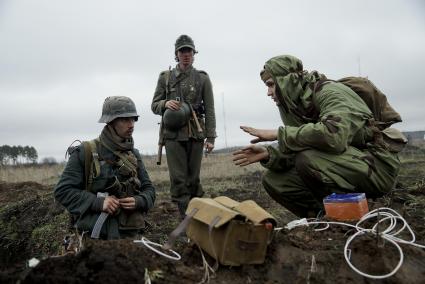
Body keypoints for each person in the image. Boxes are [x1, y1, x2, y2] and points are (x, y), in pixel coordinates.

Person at [233, 55, 405, 218]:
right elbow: (302, 144)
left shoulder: (331, 92)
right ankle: (325, 219)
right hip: (346, 163)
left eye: (271, 85)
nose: (269, 93)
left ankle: (355, 213)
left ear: (286, 82)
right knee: (275, 180)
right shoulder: (295, 107)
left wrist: (279, 134)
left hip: (377, 168)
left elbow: (333, 137)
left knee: (308, 158)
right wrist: (270, 154)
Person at [55, 96, 156, 239]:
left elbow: (149, 189)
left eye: (133, 119)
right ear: (110, 122)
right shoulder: (86, 152)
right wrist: (98, 203)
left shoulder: (133, 154)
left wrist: (139, 201)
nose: (131, 124)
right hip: (94, 235)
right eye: (124, 119)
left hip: (130, 235)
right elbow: (63, 191)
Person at [151, 34, 216, 217]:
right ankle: (186, 221)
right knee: (179, 180)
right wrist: (165, 104)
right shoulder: (165, 78)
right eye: (182, 51)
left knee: (193, 180)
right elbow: (154, 105)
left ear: (194, 54)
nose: (186, 54)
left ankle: (200, 218)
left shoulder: (202, 78)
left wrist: (210, 137)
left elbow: (210, 109)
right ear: (176, 54)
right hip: (172, 134)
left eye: (189, 51)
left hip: (196, 132)